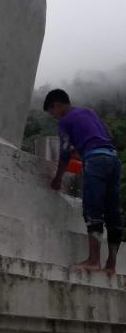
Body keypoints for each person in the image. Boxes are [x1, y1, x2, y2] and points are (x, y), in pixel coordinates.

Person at [44, 89, 123, 275]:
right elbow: (105, 136)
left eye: (51, 112)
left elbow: (64, 153)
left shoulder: (64, 121)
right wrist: (83, 150)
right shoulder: (88, 112)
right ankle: (111, 264)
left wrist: (57, 178)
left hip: (95, 162)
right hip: (113, 159)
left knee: (92, 209)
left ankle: (94, 260)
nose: (54, 117)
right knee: (113, 212)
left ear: (56, 105)